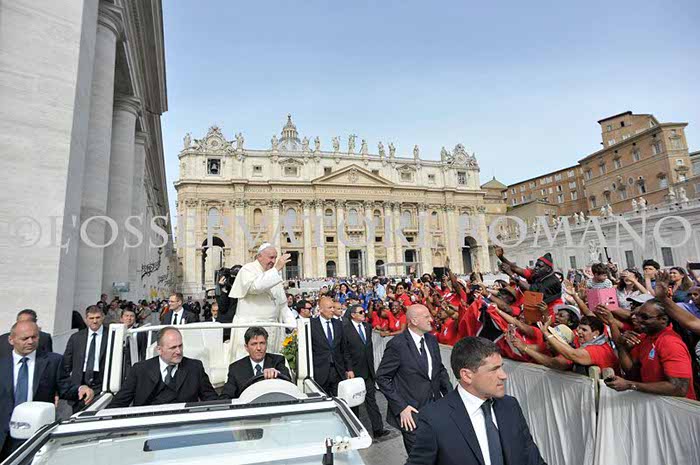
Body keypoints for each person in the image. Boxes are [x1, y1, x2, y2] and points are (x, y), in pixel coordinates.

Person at [406, 337, 546, 465]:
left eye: (501, 367)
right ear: (467, 376)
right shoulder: (434, 418)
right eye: (494, 370)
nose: (503, 375)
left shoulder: (510, 406)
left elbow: (532, 457)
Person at [0, 321, 94, 460]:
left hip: (38, 435)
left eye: (34, 337)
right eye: (25, 338)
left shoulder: (53, 361)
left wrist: (81, 388)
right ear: (11, 340)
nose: (30, 341)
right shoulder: (2, 365)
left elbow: (65, 389)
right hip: (5, 438)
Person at [377, 304, 451, 454]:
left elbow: (439, 370)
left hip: (435, 409)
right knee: (419, 457)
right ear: (414, 321)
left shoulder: (431, 340)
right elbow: (382, 377)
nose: (431, 319)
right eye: (427, 317)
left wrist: (451, 397)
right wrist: (401, 407)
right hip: (411, 414)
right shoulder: (397, 345)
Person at [605, 297, 696, 399]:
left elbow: (679, 388)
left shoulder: (670, 343)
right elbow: (632, 372)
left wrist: (630, 385)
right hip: (656, 405)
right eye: (638, 315)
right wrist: (621, 345)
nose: (638, 320)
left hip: (677, 407)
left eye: (645, 317)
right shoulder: (645, 338)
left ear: (663, 320)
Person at [110, 327, 218, 407]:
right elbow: (119, 402)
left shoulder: (195, 368)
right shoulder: (140, 370)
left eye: (180, 346)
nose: (178, 351)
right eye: (173, 347)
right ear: (159, 350)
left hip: (184, 424)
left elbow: (212, 399)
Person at [229, 243, 295, 361]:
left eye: (275, 258)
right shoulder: (247, 269)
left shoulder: (274, 275)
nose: (273, 261)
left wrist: (295, 328)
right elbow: (255, 287)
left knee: (272, 364)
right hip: (250, 328)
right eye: (271, 257)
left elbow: (283, 307)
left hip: (273, 329)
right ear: (259, 256)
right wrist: (276, 269)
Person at [343, 304, 388, 439]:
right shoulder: (345, 329)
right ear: (353, 315)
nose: (364, 314)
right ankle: (354, 431)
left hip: (368, 370)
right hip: (354, 371)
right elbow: (345, 351)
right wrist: (349, 369)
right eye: (361, 312)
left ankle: (378, 429)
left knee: (371, 400)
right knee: (354, 402)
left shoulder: (367, 327)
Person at [220, 327, 290, 399]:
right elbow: (226, 396)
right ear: (246, 347)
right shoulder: (235, 368)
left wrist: (277, 375)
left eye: (262, 343)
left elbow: (288, 383)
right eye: (254, 344)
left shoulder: (278, 360)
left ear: (266, 345)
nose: (259, 348)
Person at [63, 305, 109, 404]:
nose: (95, 321)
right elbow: (66, 363)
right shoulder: (76, 337)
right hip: (79, 383)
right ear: (86, 319)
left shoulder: (111, 335)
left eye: (97, 317)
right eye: (91, 318)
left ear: (103, 317)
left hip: (102, 383)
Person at [310, 296, 353, 395]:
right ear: (320, 309)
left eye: (333, 307)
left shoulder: (338, 324)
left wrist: (349, 369)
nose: (333, 310)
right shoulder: (311, 324)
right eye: (330, 308)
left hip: (338, 371)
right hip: (319, 371)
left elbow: (344, 349)